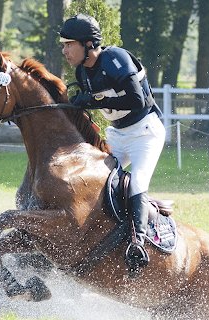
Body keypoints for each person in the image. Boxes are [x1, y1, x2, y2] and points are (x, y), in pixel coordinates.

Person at [59, 13, 165, 276]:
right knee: (94, 180)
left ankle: (138, 243)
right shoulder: (82, 71)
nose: (65, 51)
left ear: (88, 44)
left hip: (144, 133)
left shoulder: (115, 59)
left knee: (137, 182)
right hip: (117, 134)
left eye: (69, 44)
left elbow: (137, 101)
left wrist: (95, 101)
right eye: (64, 45)